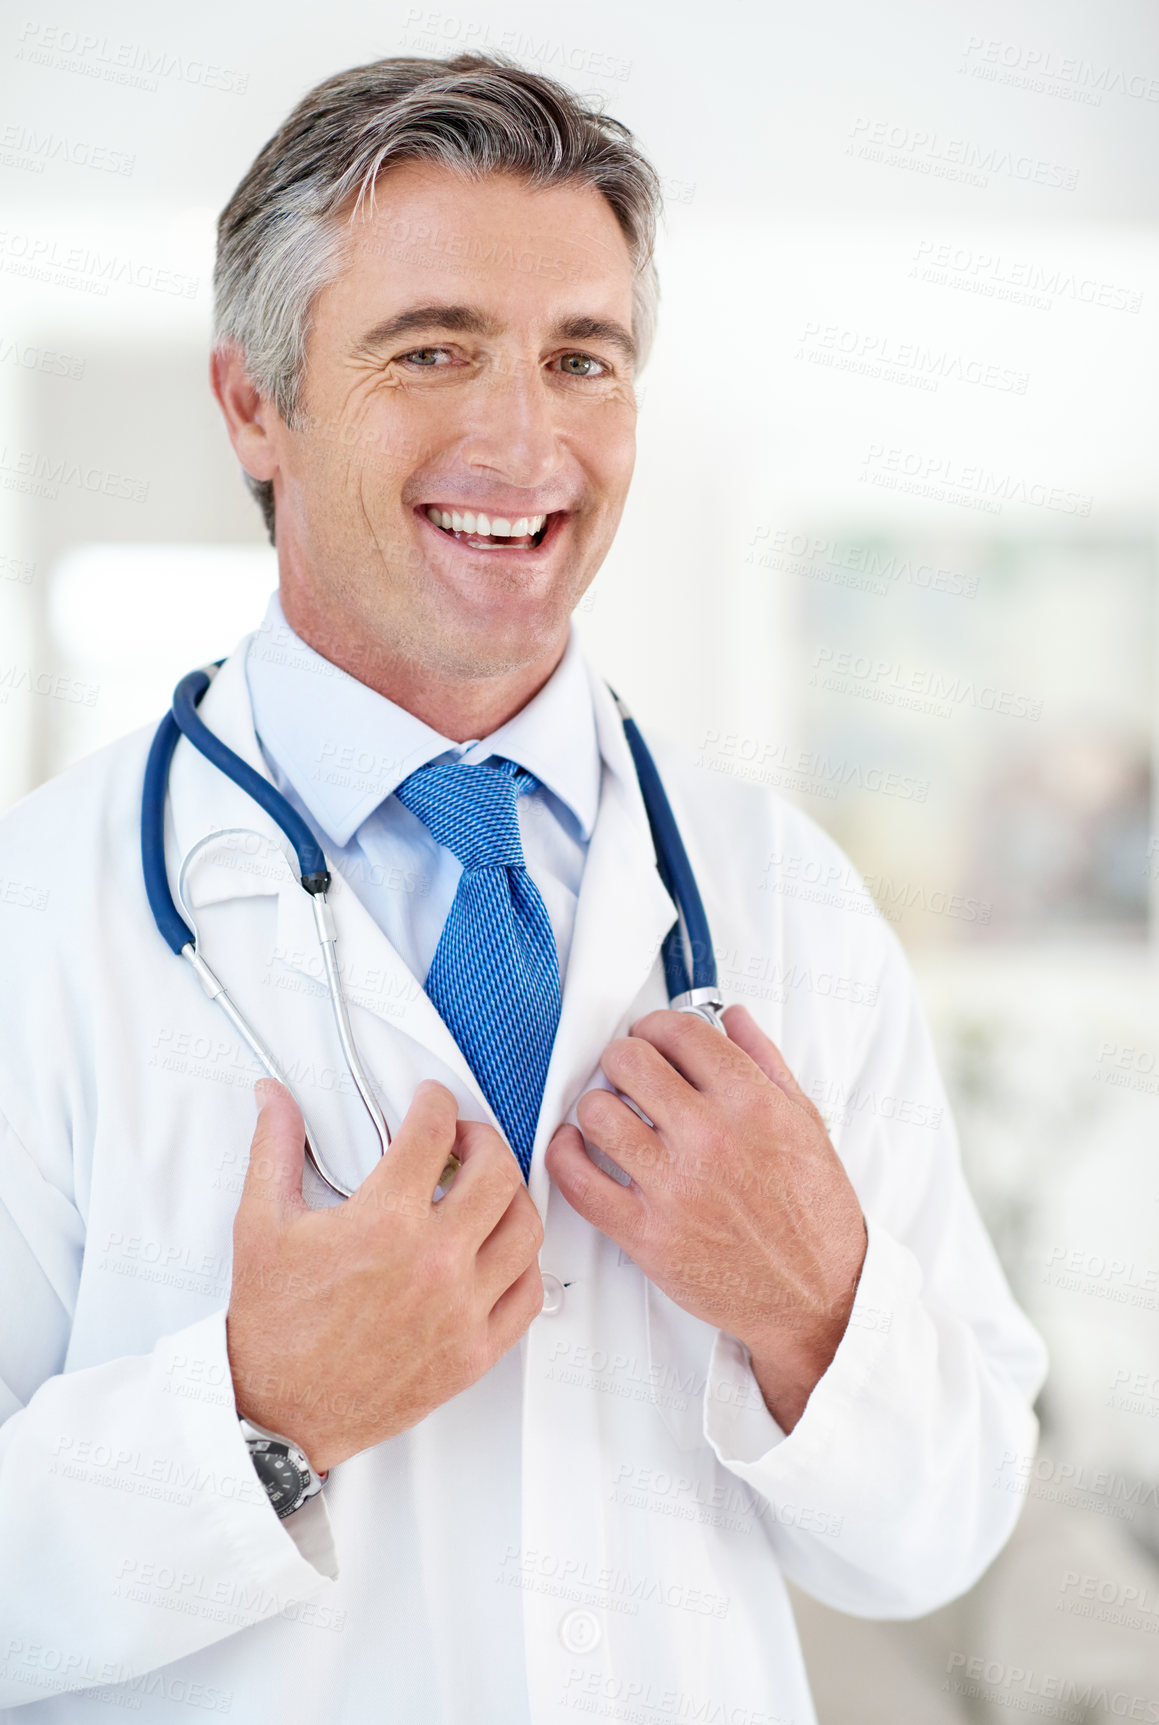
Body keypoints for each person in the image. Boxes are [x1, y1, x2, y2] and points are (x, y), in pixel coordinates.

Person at [0, 54, 1047, 1723]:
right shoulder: (42, 917)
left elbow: (944, 1529)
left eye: (584, 359)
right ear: (254, 404)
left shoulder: (785, 897)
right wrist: (256, 1414)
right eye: (433, 351)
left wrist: (813, 1304)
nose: (524, 436)